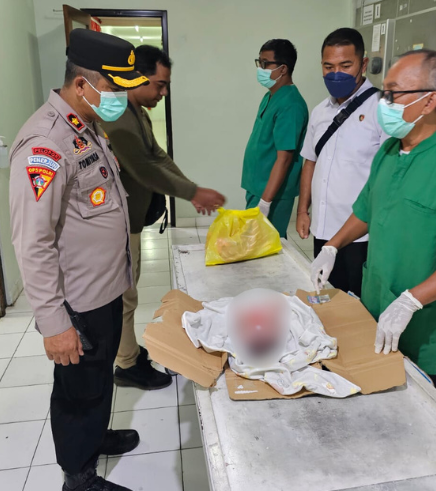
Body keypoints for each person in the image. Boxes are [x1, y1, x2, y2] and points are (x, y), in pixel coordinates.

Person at [310, 50, 436, 403]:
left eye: (394, 94)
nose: (385, 102)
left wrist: (410, 302)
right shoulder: (390, 151)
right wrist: (333, 246)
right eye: (385, 93)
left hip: (425, 333)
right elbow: (366, 210)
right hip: (375, 311)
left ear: (429, 101)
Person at [10, 29, 149, 491]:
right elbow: (32, 241)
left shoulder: (83, 124)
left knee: (97, 379)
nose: (120, 99)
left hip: (105, 289)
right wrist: (54, 323)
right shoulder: (45, 144)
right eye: (114, 89)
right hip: (79, 302)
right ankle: (79, 475)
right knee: (77, 390)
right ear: (82, 84)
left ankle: (94, 437)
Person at [102, 45, 226, 390]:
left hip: (132, 222)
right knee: (125, 295)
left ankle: (127, 351)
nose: (163, 92)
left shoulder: (136, 110)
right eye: (159, 85)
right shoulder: (119, 117)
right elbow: (144, 170)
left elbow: (157, 156)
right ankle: (126, 364)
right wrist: (192, 193)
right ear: (136, 78)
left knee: (128, 292)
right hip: (118, 226)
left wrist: (191, 187)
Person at [297, 28, 388, 297]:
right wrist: (303, 210)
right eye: (329, 66)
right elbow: (310, 161)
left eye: (345, 65)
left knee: (358, 304)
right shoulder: (320, 111)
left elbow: (387, 177)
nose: (336, 73)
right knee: (327, 299)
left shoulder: (382, 110)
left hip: (361, 235)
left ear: (363, 64)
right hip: (324, 229)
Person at [241, 39, 308, 238]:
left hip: (273, 193)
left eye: (264, 63)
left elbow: (285, 157)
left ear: (282, 69)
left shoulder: (291, 104)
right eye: (258, 62)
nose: (260, 68)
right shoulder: (270, 96)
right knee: (254, 245)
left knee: (267, 247)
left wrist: (265, 202)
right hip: (257, 186)